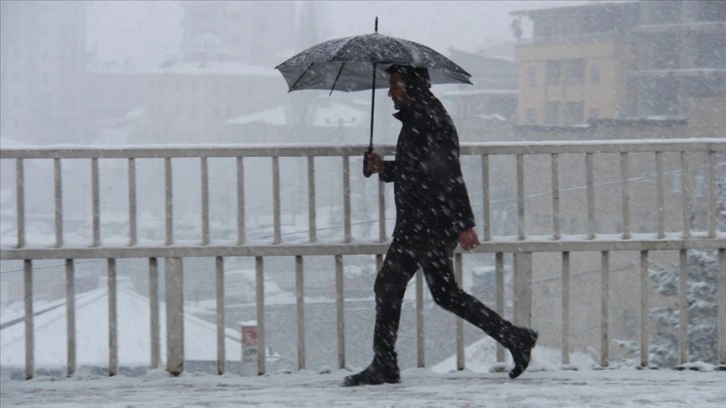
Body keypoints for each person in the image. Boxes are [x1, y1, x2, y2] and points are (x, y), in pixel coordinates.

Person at [343, 65, 538, 386]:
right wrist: (383, 168)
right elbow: (417, 169)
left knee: (404, 288)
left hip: (427, 224)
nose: (390, 92)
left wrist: (464, 224)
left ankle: (385, 363)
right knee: (429, 291)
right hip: (422, 223)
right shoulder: (420, 115)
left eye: (395, 85)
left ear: (412, 86)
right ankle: (515, 338)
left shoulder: (428, 119)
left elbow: (447, 172)